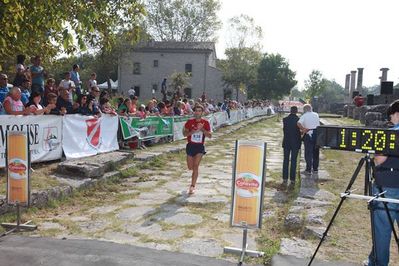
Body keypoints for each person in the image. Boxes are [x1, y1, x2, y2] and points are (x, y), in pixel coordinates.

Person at [367, 99, 399, 266]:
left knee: (382, 230)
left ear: (396, 115)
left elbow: (379, 160)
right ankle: (373, 259)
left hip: (388, 186)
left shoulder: (391, 135)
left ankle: (378, 264)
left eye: (391, 115)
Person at [183, 104, 212, 194]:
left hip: (199, 146)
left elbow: (210, 136)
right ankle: (193, 178)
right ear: (194, 112)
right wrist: (194, 131)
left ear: (202, 112)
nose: (198, 112)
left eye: (200, 111)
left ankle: (192, 186)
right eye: (196, 111)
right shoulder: (189, 122)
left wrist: (202, 129)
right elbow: (184, 134)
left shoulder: (205, 122)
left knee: (196, 166)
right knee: (190, 167)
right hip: (190, 145)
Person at [297, 104, 320, 174]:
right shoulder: (316, 114)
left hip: (308, 133)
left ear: (305, 110)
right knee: (316, 152)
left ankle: (308, 169)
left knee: (308, 152)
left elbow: (298, 123)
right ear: (311, 109)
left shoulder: (304, 115)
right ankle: (315, 168)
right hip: (316, 134)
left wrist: (303, 129)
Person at [282, 106, 302, 186]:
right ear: (296, 111)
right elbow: (300, 131)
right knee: (293, 161)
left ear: (290, 111)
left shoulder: (285, 119)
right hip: (296, 142)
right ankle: (292, 179)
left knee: (286, 160)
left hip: (286, 142)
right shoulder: (299, 120)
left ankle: (285, 178)